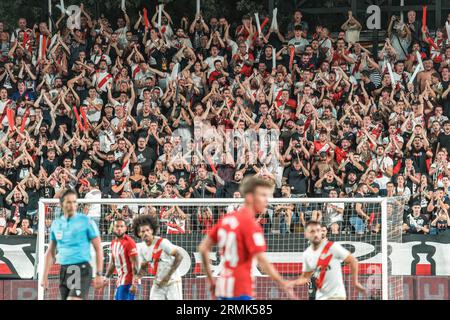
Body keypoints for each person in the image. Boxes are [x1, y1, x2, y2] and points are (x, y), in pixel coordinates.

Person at [198, 176, 294, 300]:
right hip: (241, 289)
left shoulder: (227, 219)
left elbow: (203, 248)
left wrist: (211, 280)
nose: (267, 200)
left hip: (223, 287)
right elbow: (262, 260)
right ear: (250, 197)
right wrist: (282, 282)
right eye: (263, 195)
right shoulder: (250, 224)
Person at [40, 189, 104, 300]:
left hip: (82, 268)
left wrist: (99, 273)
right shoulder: (57, 224)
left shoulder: (86, 222)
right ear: (61, 204)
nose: (72, 205)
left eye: (74, 202)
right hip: (64, 270)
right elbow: (51, 252)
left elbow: (98, 249)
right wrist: (44, 275)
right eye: (68, 202)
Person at [290, 220, 366, 300]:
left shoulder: (333, 246)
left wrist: (355, 282)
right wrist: (292, 283)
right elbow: (305, 277)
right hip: (320, 293)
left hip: (336, 294)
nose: (319, 233)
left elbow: (353, 260)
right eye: (313, 231)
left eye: (322, 231)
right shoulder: (307, 253)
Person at [133, 214, 184, 300]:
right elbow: (144, 268)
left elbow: (179, 256)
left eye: (147, 230)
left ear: (152, 230)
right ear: (138, 233)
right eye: (142, 231)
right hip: (158, 283)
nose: (145, 233)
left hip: (173, 281)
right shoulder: (141, 248)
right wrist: (136, 277)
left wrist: (167, 276)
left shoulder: (162, 242)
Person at [105, 218, 139, 300]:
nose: (119, 228)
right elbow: (113, 263)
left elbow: (135, 264)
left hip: (129, 281)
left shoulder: (129, 243)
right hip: (120, 281)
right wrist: (106, 277)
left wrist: (134, 283)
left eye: (121, 226)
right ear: (113, 228)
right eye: (117, 226)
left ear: (125, 228)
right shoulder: (113, 243)